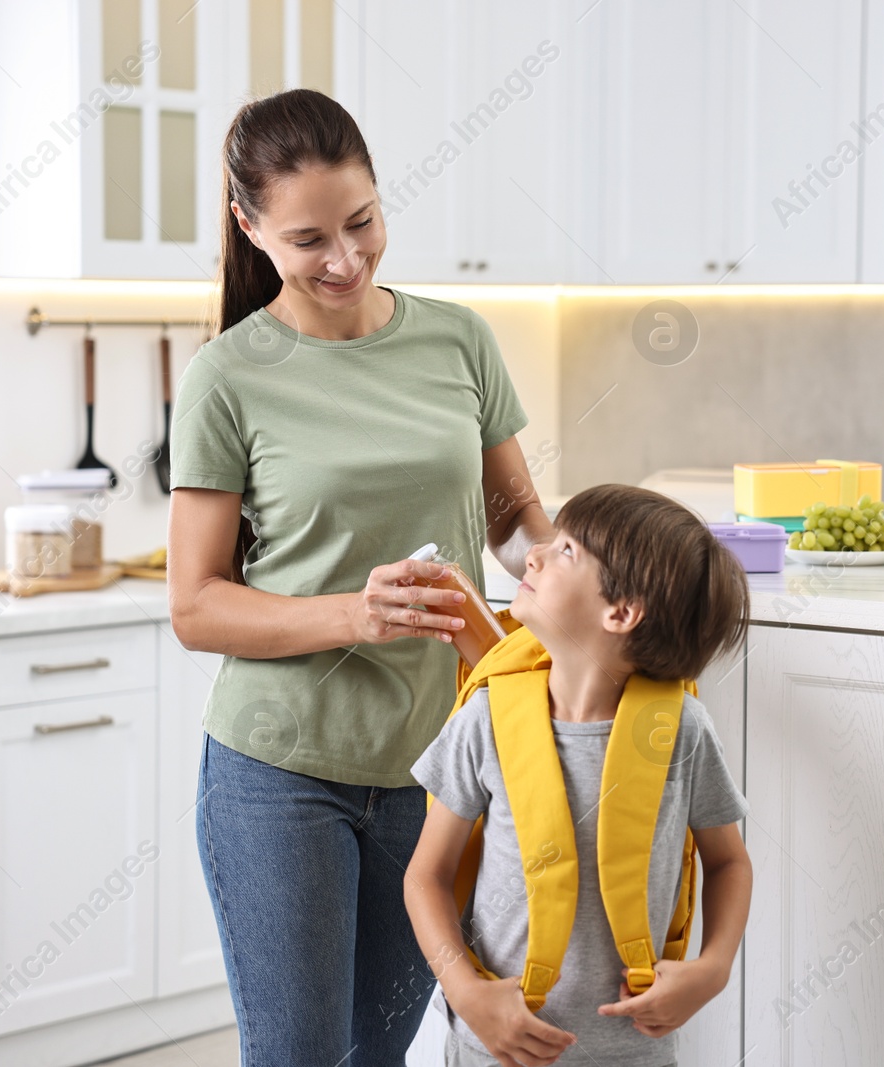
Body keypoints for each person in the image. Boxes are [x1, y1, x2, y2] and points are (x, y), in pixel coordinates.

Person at [165, 88, 556, 1066]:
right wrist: (359, 611)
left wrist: (570, 570)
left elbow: (512, 522)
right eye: (306, 240)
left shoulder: (457, 338)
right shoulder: (228, 375)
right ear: (251, 228)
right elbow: (195, 603)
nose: (342, 259)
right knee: (299, 1055)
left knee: (377, 1054)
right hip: (279, 771)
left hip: (436, 769)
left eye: (362, 223)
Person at [405, 484, 755, 1067]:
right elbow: (427, 878)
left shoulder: (682, 733)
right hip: (497, 1047)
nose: (536, 553)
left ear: (620, 613)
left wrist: (713, 970)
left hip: (634, 1053)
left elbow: (729, 862)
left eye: (566, 550)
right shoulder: (485, 720)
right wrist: (467, 996)